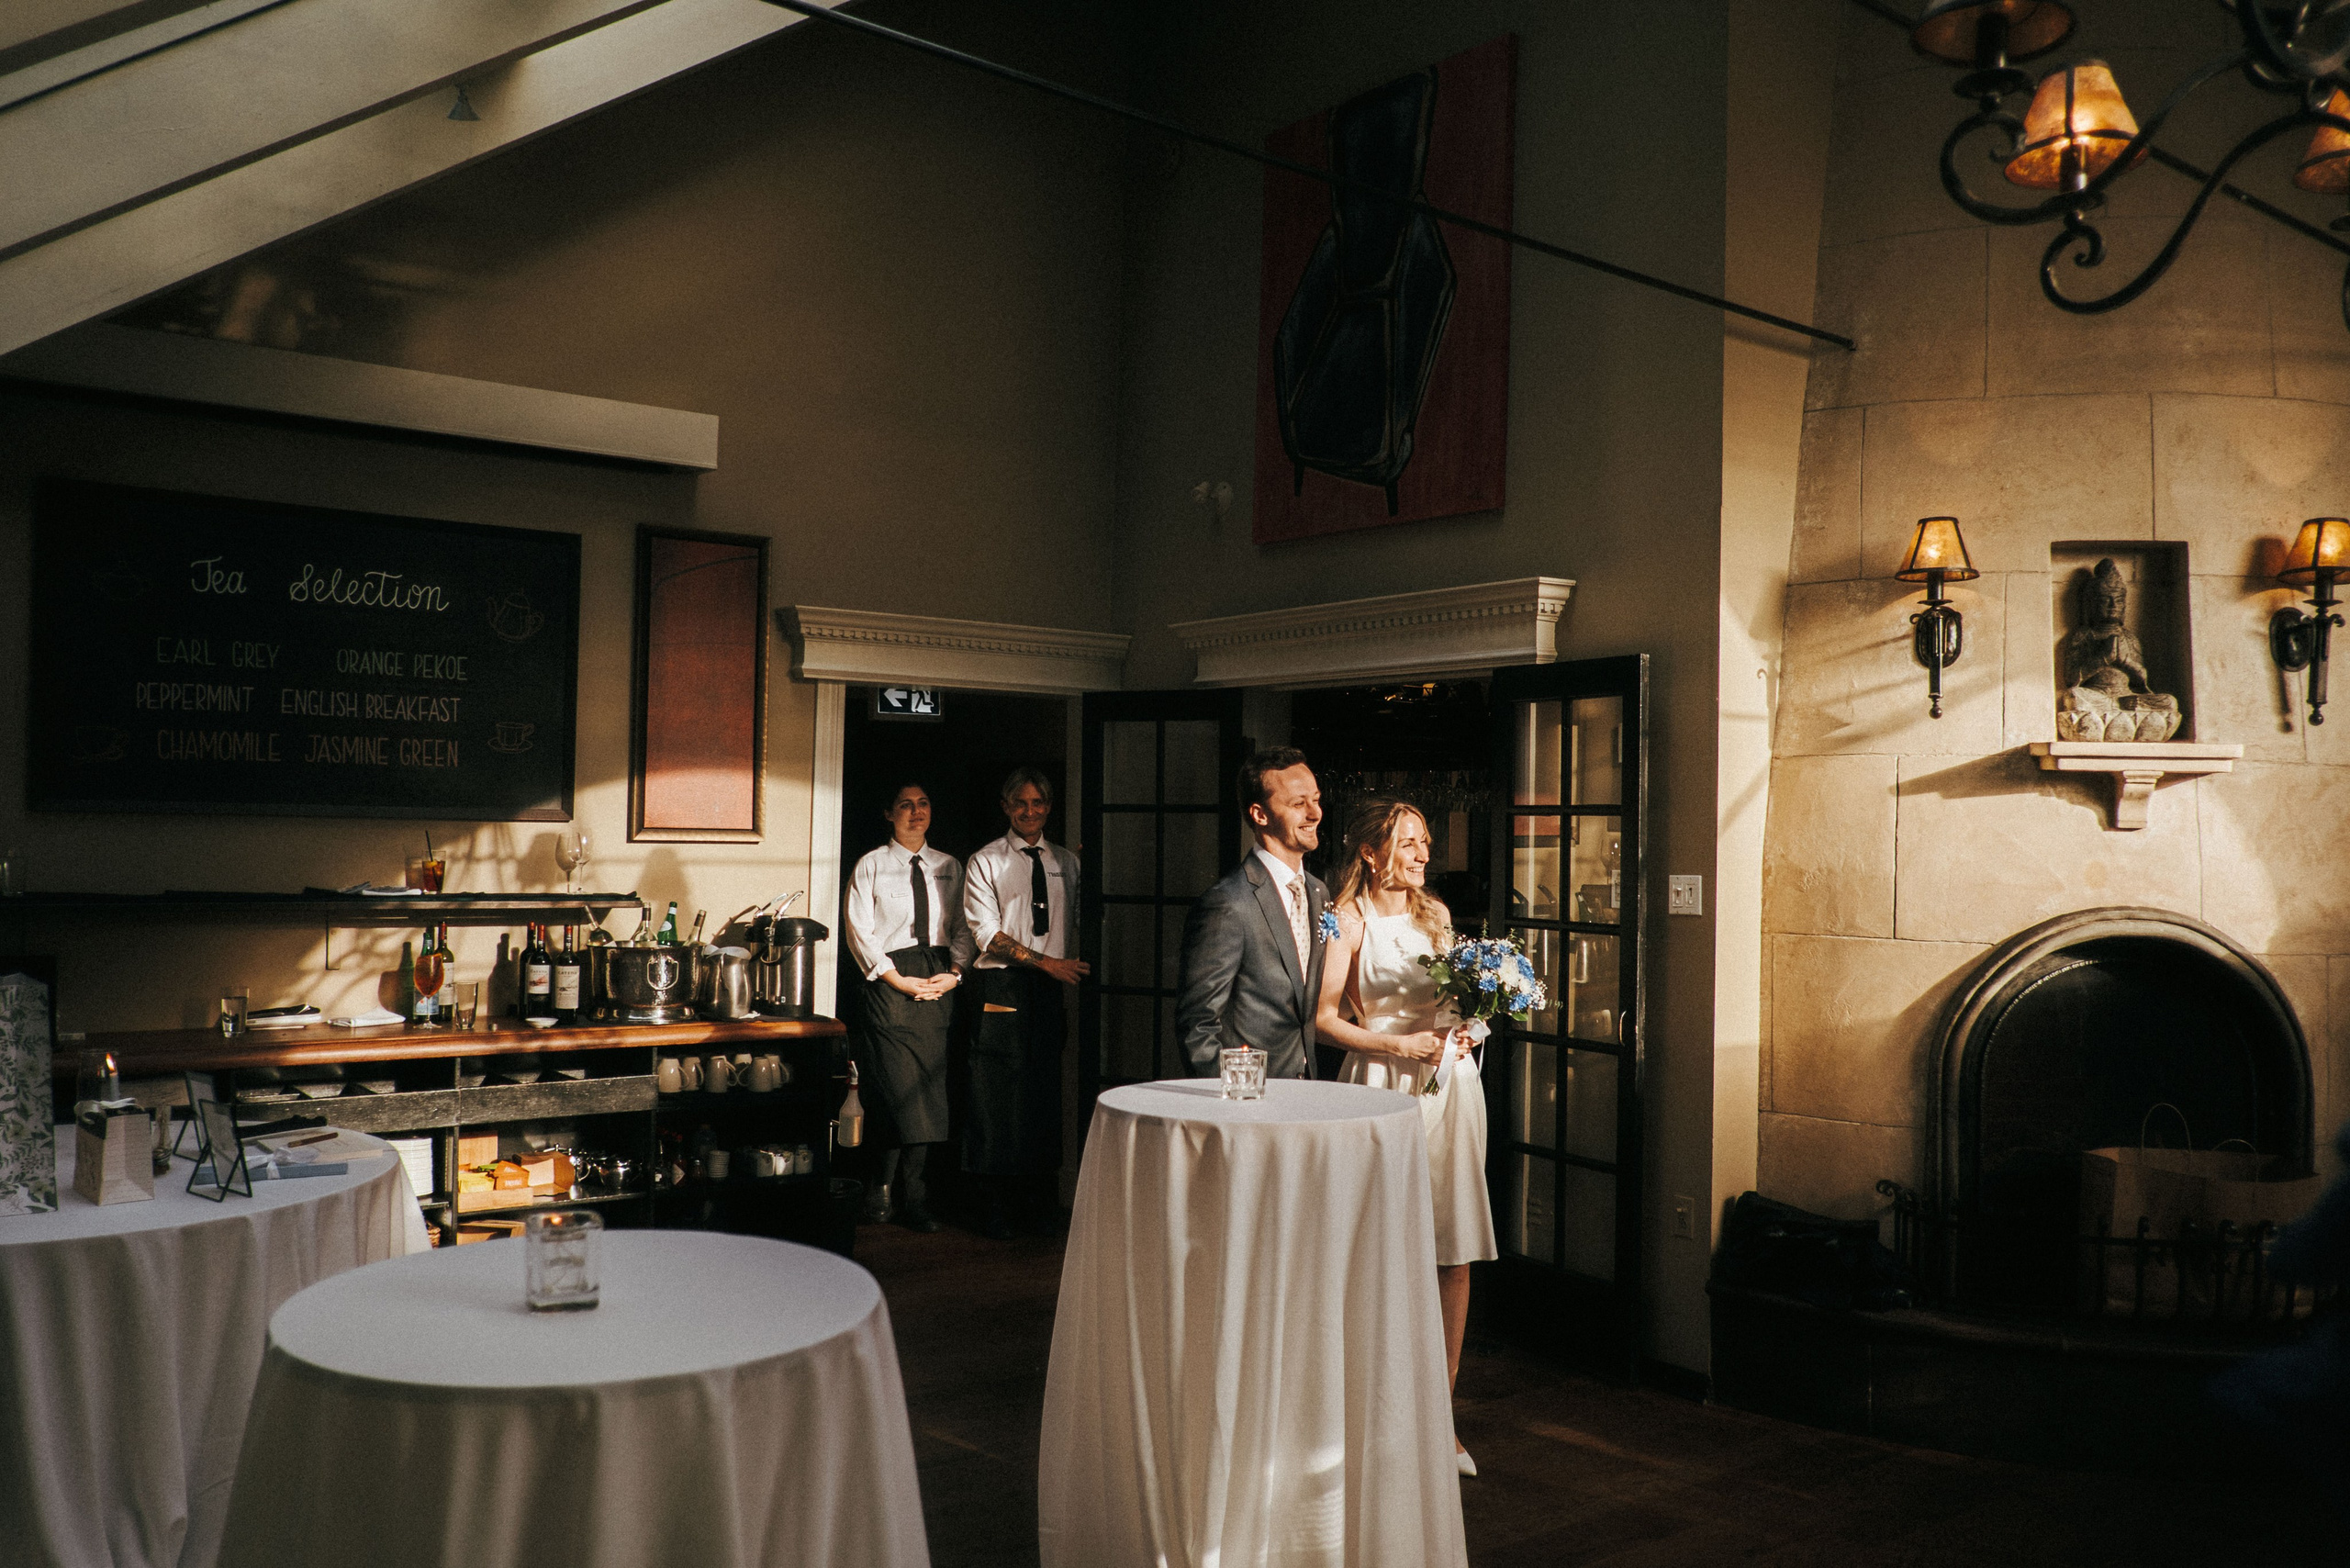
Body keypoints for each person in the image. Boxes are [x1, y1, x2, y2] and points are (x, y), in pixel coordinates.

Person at [1314, 796, 1498, 1477]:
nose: (1425, 854)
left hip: (1451, 1087)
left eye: (1425, 842)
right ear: (1370, 852)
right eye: (1410, 843)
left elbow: (1457, 999)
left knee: (1452, 1249)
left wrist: (1475, 1023)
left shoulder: (1437, 915)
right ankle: (1363, 1409)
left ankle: (1439, 1421)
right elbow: (1324, 1018)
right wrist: (1399, 1044)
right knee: (1376, 1249)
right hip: (1379, 1089)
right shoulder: (1344, 917)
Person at [963, 766, 1088, 1239]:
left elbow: (1075, 919)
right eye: (1021, 803)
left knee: (1042, 1092)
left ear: (1049, 808)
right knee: (997, 1096)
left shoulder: (1066, 863)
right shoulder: (986, 862)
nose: (1030, 811)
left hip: (1048, 990)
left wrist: (1056, 969)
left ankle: (1037, 1208)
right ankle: (994, 1210)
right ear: (1005, 807)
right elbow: (987, 936)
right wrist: (1048, 964)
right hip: (1002, 988)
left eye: (1038, 803)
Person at [843, 780, 973, 1233]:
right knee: (896, 1091)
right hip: (888, 983)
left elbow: (964, 926)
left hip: (938, 978)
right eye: (905, 805)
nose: (916, 813)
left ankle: (916, 1195)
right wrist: (896, 979)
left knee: (930, 1093)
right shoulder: (872, 866)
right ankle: (880, 1187)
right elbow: (860, 931)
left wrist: (955, 974)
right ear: (889, 813)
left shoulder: (950, 867)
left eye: (923, 804)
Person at [1175, 746, 1327, 1081]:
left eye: (1315, 799)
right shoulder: (1228, 902)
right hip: (1250, 1098)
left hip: (1306, 1088)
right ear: (1260, 815)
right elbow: (1198, 1025)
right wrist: (1237, 1096)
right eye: (1299, 804)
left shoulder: (1318, 892)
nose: (1315, 813)